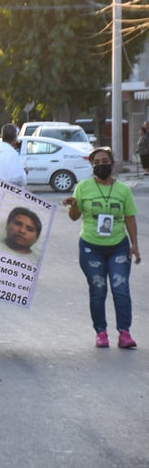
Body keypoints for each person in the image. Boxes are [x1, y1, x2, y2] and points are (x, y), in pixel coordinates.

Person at [63, 146, 140, 349]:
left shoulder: (123, 190)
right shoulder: (83, 187)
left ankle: (124, 332)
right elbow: (74, 217)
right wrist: (73, 205)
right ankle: (101, 332)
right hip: (91, 248)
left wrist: (135, 246)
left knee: (120, 288)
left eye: (105, 162)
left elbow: (130, 218)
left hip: (118, 247)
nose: (101, 166)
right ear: (91, 166)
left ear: (112, 164)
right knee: (98, 288)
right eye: (96, 163)